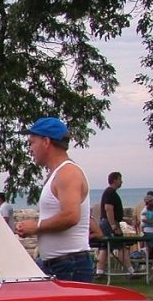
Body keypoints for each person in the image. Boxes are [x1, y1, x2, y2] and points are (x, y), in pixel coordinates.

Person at [15, 116, 94, 283]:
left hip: (70, 265)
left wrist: (36, 227)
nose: (30, 149)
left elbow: (71, 216)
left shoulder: (68, 173)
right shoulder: (57, 174)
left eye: (32, 142)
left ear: (46, 141)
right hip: (57, 263)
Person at [96, 171, 134, 277]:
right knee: (120, 246)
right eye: (120, 179)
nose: (122, 181)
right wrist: (113, 226)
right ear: (115, 180)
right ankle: (131, 271)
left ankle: (99, 272)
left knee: (104, 247)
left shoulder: (110, 192)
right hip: (109, 224)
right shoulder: (110, 193)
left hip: (106, 222)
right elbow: (108, 209)